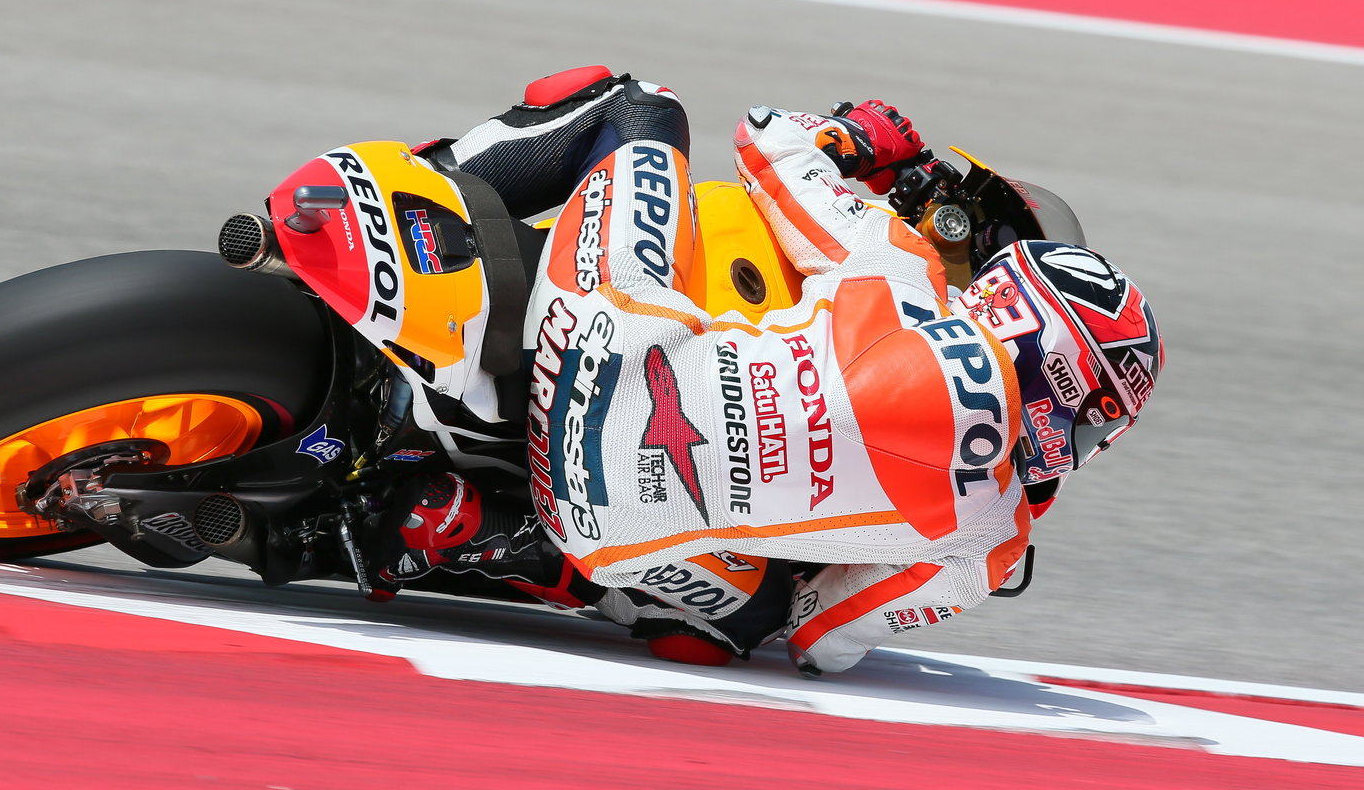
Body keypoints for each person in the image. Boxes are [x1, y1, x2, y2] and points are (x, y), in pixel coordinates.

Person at [369, 66, 1162, 674]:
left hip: (588, 343)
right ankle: (479, 531)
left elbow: (765, 138)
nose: (1083, 440)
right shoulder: (989, 543)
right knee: (749, 620)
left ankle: (427, 183)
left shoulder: (901, 268)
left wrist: (862, 138)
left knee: (639, 106)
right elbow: (822, 638)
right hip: (601, 527)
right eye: (1095, 421)